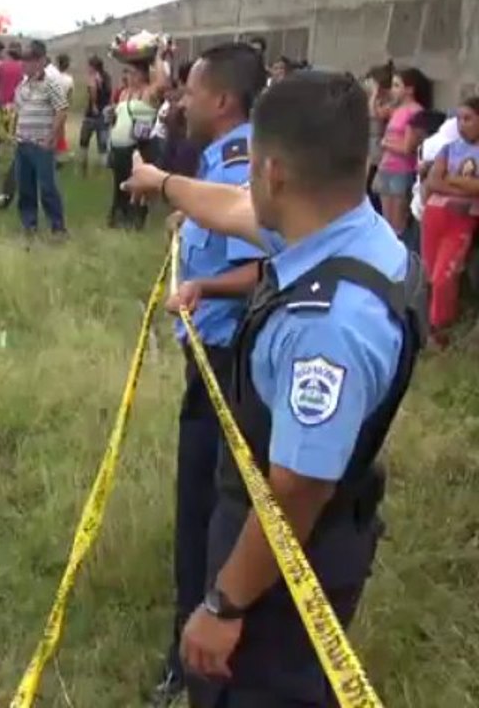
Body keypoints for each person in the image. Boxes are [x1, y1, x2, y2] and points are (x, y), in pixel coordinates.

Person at [124, 70, 425, 708]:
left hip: (283, 568)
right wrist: (164, 183)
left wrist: (223, 603)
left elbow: (296, 489)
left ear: (274, 171)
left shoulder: (328, 324)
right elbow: (234, 211)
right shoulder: (351, 232)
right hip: (304, 538)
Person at [137, 42, 269, 708]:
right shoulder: (223, 159)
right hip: (211, 359)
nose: (179, 101)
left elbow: (262, 268)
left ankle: (193, 655)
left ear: (221, 100)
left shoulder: (243, 163)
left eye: (189, 91)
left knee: (206, 514)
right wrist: (193, 221)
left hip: (228, 365)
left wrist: (202, 287)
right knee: (206, 508)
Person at [421, 96, 479, 345]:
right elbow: (432, 181)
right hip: (435, 216)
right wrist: (462, 186)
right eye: (458, 119)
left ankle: (440, 328)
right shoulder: (449, 148)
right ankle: (427, 328)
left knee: (445, 276)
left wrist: (450, 181)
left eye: (468, 118)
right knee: (429, 274)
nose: (461, 124)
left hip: (461, 220)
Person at [13, 40, 69, 239]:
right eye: (23, 59)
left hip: (41, 144)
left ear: (40, 60)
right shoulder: (22, 85)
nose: (24, 63)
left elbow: (62, 110)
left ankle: (58, 226)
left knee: (47, 187)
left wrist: (51, 137)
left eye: (28, 59)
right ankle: (29, 224)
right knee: (25, 187)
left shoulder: (51, 83)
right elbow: (19, 111)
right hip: (23, 143)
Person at [108, 54, 167, 229]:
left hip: (139, 145)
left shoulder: (148, 92)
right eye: (128, 73)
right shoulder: (124, 93)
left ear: (143, 74)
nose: (129, 77)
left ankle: (136, 218)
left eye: (133, 73)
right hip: (119, 146)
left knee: (137, 182)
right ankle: (119, 216)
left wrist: (157, 56)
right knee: (120, 181)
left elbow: (162, 83)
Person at [379, 67, 432, 236]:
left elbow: (408, 148)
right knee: (385, 221)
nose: (393, 90)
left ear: (409, 89)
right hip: (387, 167)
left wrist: (387, 144)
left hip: (402, 170)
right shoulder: (397, 110)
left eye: (396, 85)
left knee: (398, 223)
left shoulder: (415, 112)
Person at [364, 62, 394, 214]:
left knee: (374, 190)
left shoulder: (389, 102)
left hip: (380, 149)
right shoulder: (374, 100)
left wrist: (374, 94)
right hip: (370, 148)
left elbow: (375, 115)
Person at [79, 56, 112, 176]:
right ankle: (105, 169)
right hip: (104, 112)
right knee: (102, 143)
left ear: (93, 66)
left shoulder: (94, 77)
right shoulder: (107, 77)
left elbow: (93, 89)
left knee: (84, 141)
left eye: (89, 66)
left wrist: (93, 105)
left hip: (92, 114)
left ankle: (83, 168)